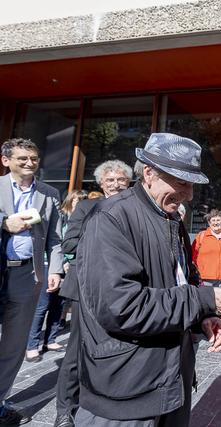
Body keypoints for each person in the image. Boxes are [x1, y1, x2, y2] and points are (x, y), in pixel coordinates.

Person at [75, 133, 221, 426]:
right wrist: (204, 299)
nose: (190, 195)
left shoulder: (172, 220)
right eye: (181, 182)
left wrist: (201, 318)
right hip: (126, 390)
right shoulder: (112, 218)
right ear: (149, 173)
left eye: (192, 184)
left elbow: (178, 282)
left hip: (171, 379)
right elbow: (122, 307)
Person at [53, 160, 132, 427]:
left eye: (121, 179)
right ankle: (64, 411)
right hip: (86, 288)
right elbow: (70, 242)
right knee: (76, 350)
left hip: (122, 289)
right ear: (100, 183)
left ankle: (106, 400)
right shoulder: (87, 207)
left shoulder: (134, 209)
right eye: (109, 180)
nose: (115, 184)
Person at [0, 138, 63, 426]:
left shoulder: (49, 194)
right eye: (23, 158)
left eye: (34, 158)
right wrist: (3, 224)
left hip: (28, 275)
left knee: (14, 346)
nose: (29, 163)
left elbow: (55, 238)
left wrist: (56, 269)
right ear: (6, 160)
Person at [24, 190, 87, 363]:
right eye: (77, 200)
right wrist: (63, 261)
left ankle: (50, 340)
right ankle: (32, 345)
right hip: (48, 265)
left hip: (68, 268)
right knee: (42, 306)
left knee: (58, 305)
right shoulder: (63, 217)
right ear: (70, 201)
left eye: (83, 200)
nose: (80, 202)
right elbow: (56, 241)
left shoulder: (85, 218)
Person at [192, 209, 221, 288]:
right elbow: (193, 256)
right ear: (209, 223)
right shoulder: (201, 236)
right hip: (205, 278)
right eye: (213, 220)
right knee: (207, 299)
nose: (215, 223)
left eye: (218, 220)